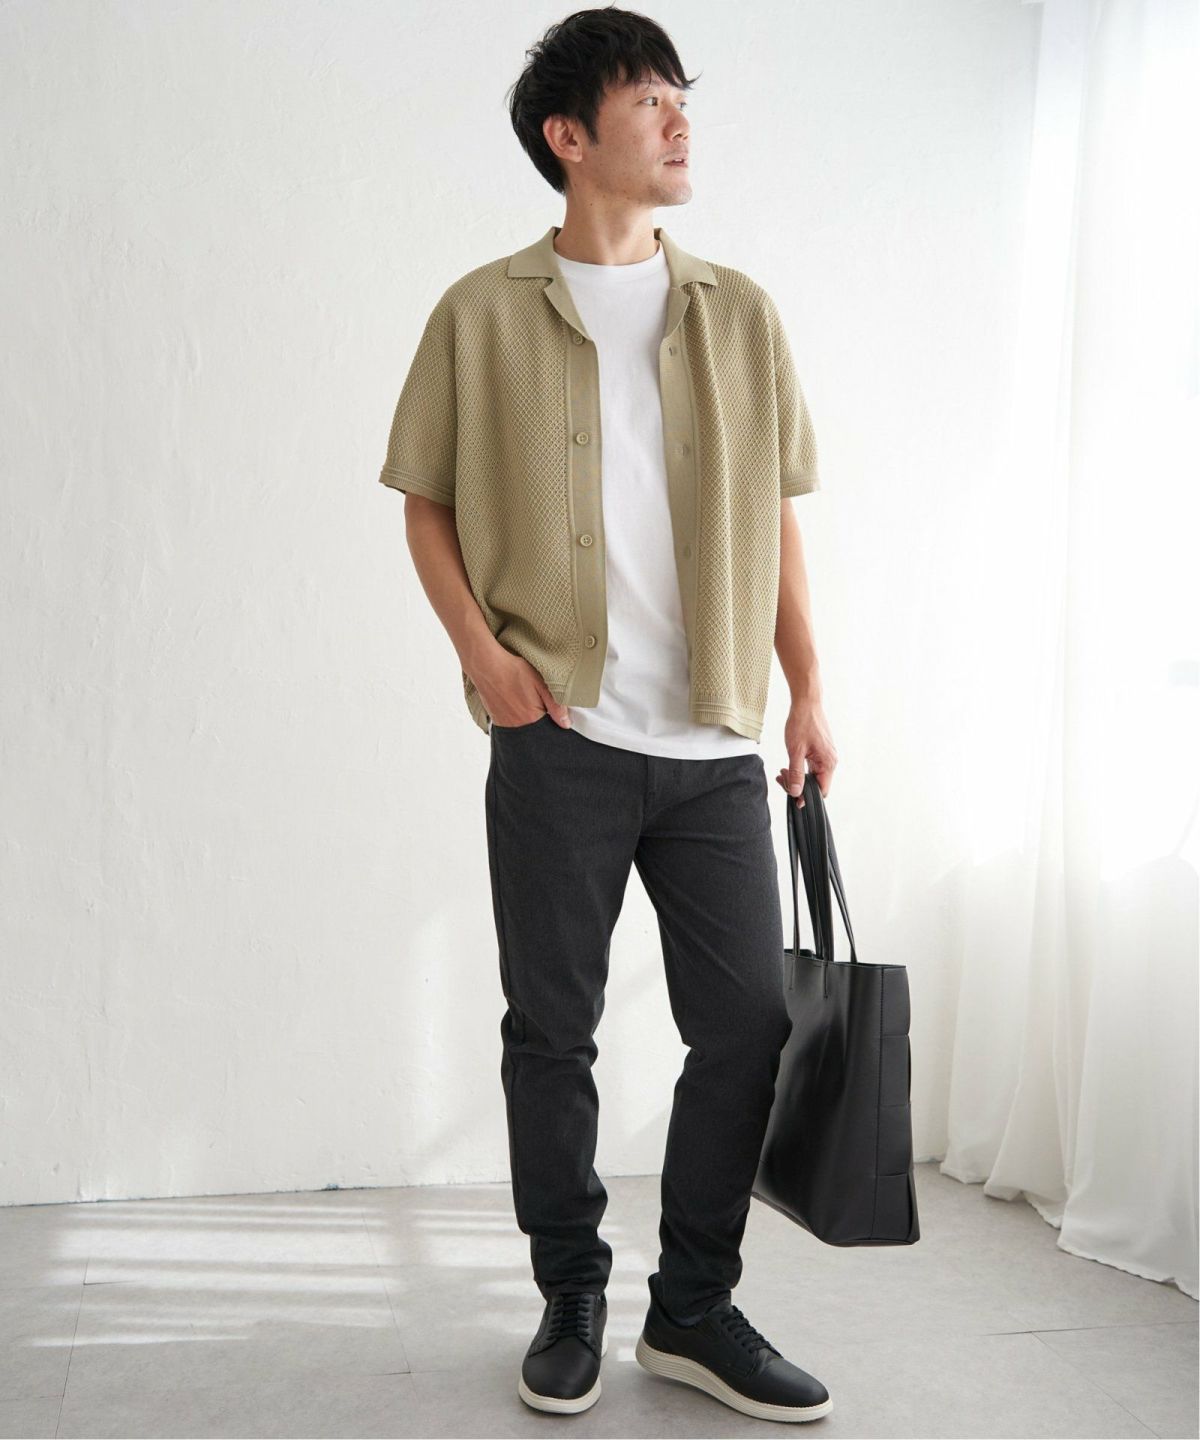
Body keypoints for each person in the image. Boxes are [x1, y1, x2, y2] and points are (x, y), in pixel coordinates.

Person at [378, 6, 837, 1424]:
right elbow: (425, 503)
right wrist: (486, 660)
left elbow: (775, 516)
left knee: (746, 1027)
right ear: (568, 136)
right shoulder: (480, 312)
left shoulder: (739, 313)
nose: (680, 121)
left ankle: (692, 1307)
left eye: (682, 96)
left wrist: (810, 686)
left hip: (711, 746)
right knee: (551, 1033)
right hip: (559, 744)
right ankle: (570, 1294)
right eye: (650, 100)